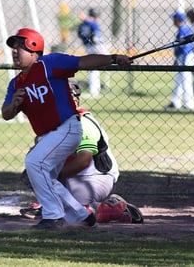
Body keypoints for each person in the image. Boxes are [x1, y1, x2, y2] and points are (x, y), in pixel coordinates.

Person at [1, 28, 132, 230]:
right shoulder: (16, 83)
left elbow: (84, 61)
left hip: (67, 127)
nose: (15, 51)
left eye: (20, 47)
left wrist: (114, 58)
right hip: (47, 136)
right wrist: (14, 105)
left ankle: (53, 217)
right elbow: (6, 114)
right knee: (45, 175)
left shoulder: (49, 63)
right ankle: (82, 214)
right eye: (13, 47)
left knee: (34, 162)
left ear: (34, 50)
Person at [20, 80, 144, 224]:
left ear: (74, 101)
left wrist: (52, 176)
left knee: (75, 217)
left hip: (94, 177)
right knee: (37, 173)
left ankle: (114, 207)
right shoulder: (54, 124)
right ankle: (55, 204)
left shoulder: (82, 123)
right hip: (73, 177)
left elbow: (83, 161)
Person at [165, 11, 194, 111]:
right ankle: (176, 101)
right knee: (179, 80)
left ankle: (189, 103)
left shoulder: (183, 29)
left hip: (185, 57)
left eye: (174, 19)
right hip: (182, 57)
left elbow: (185, 46)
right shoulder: (183, 29)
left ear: (178, 20)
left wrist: (183, 59)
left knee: (186, 80)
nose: (173, 21)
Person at [77, 8, 110, 98]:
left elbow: (80, 35)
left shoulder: (83, 24)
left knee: (93, 68)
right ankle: (96, 90)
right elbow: (97, 37)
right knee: (96, 68)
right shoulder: (93, 23)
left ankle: (96, 90)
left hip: (88, 47)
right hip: (97, 46)